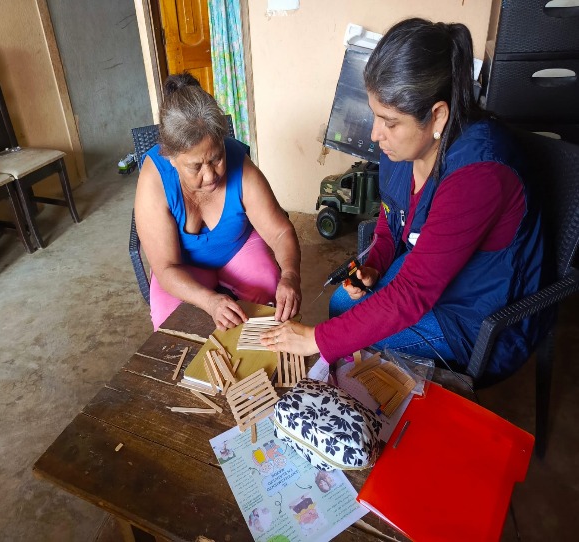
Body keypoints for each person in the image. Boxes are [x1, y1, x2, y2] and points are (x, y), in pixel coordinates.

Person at [262, 18, 544, 383]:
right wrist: (375, 264)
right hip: (434, 277)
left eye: (390, 122)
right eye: (375, 116)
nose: (375, 134)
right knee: (342, 303)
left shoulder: (480, 173)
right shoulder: (402, 151)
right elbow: (389, 218)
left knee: (346, 334)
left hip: (477, 315)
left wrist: (316, 339)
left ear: (437, 116)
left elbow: (413, 293)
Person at [135, 73, 301, 331]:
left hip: (238, 249)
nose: (210, 175)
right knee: (170, 326)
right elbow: (166, 267)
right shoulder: (154, 180)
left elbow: (280, 232)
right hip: (182, 268)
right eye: (196, 166)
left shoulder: (239, 164)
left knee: (269, 298)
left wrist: (290, 275)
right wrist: (209, 301)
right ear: (171, 158)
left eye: (216, 158)